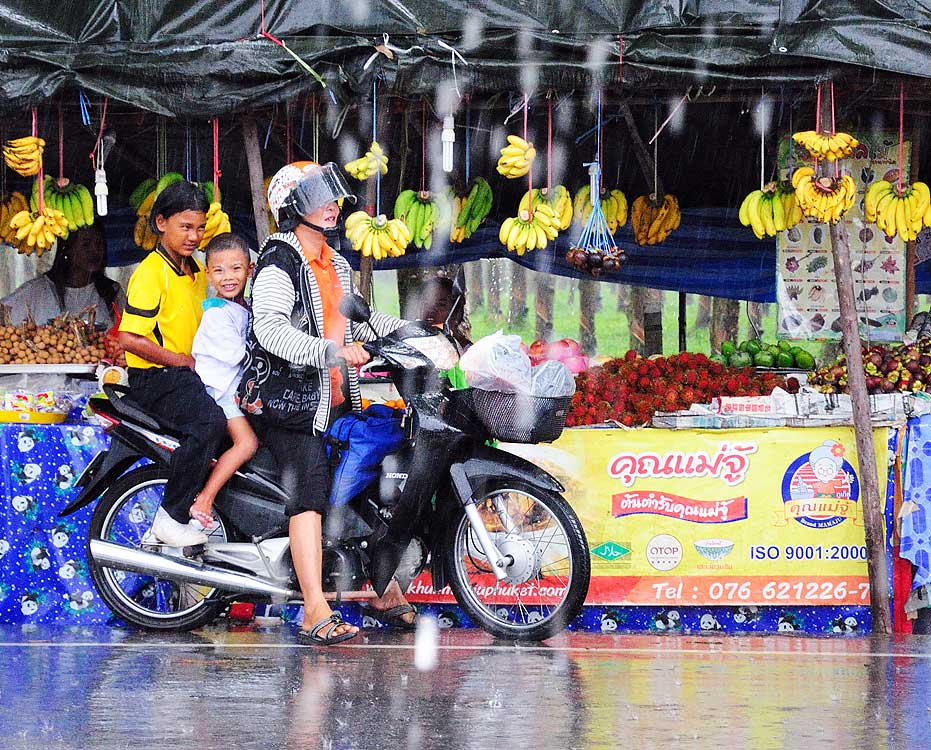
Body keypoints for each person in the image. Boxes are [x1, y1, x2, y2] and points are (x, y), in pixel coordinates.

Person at [239, 160, 417, 645]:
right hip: (286, 404)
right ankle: (313, 608)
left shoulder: (335, 264)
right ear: (293, 208)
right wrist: (328, 352)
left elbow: (356, 322)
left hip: (332, 400)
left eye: (334, 197)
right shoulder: (279, 262)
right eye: (320, 198)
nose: (334, 206)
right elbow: (270, 329)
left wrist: (411, 330)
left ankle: (381, 588)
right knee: (312, 485)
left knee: (363, 480)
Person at [118, 181, 228, 548]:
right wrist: (182, 360)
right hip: (157, 378)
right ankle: (171, 516)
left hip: (188, 376)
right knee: (209, 422)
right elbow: (130, 338)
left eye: (199, 227)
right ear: (161, 222)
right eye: (185, 227)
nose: (194, 236)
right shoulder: (152, 272)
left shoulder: (196, 270)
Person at [189, 233, 259, 528]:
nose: (228, 277)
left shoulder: (242, 307)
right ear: (208, 274)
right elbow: (239, 355)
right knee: (247, 444)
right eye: (218, 270)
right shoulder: (216, 314)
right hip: (221, 392)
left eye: (235, 269)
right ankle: (205, 498)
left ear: (250, 269)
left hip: (235, 389)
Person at [1, 223, 125, 326]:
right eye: (85, 245)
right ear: (68, 249)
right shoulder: (37, 291)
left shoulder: (112, 292)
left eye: (99, 244)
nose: (95, 251)